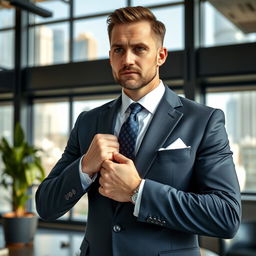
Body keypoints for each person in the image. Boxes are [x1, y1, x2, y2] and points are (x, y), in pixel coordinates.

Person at [36, 6, 241, 256]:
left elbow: (226, 216)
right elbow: (45, 206)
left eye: (140, 49)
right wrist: (84, 167)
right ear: (110, 56)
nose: (128, 60)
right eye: (119, 50)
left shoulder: (203, 121)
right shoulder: (88, 121)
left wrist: (138, 191)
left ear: (161, 55)